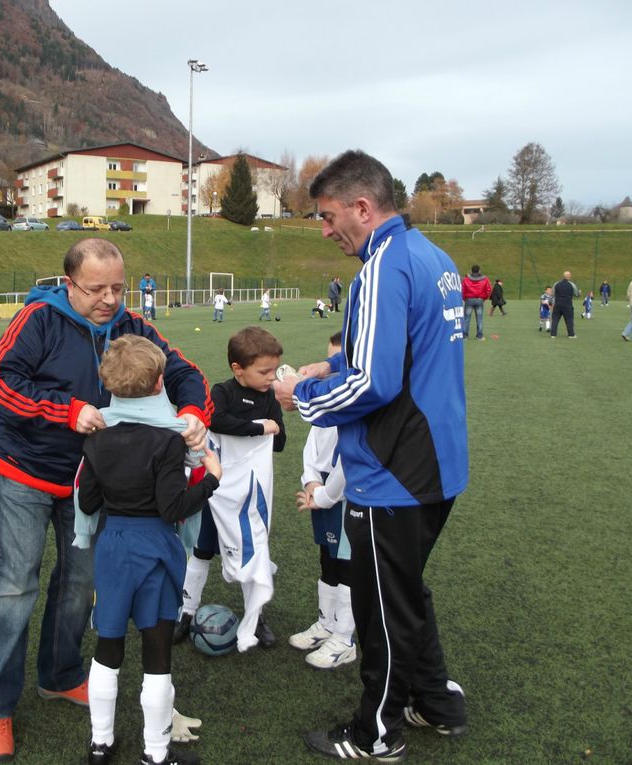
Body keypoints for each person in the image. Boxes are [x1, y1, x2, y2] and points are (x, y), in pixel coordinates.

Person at [0, 237, 212, 762]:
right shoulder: (38, 318)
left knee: (80, 585)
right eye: (96, 289)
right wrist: (66, 410)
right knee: (14, 587)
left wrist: (195, 413)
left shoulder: (134, 325)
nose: (109, 299)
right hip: (26, 470)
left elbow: (184, 372)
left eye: (118, 287)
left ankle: (59, 675)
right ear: (68, 284)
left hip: (95, 481)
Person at [274, 151, 469, 762]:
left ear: (363, 207)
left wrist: (298, 392)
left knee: (379, 607)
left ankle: (376, 734)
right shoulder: (431, 256)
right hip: (438, 459)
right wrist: (329, 364)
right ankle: (435, 701)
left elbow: (376, 384)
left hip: (395, 469)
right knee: (403, 590)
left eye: (329, 217)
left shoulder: (381, 267)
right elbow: (399, 350)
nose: (326, 230)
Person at [77, 335, 221, 765]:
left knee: (108, 646)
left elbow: (86, 503)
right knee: (157, 653)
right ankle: (155, 754)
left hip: (113, 547)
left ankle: (100, 745)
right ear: (161, 383)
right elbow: (173, 507)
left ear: (109, 387)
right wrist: (211, 478)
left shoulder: (97, 438)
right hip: (155, 546)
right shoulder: (168, 439)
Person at [174, 326, 286, 653]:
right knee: (202, 549)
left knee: (251, 550)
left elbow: (279, 441)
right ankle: (187, 611)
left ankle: (256, 615)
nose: (271, 377)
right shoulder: (222, 392)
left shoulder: (268, 398)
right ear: (238, 369)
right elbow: (216, 420)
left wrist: (267, 428)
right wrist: (256, 427)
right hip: (216, 490)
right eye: (264, 371)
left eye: (274, 370)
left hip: (248, 494)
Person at [290, 331, 356, 671]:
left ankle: (345, 638)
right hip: (323, 492)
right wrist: (311, 480)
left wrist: (328, 496)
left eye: (338, 368)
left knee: (347, 564)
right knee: (327, 558)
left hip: (343, 495)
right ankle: (327, 623)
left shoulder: (355, 408)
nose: (331, 376)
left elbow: (351, 459)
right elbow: (312, 447)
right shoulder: (326, 407)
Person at [461, 264, 492, 339]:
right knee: (479, 318)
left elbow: (462, 290)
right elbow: (489, 290)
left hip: (469, 300)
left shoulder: (466, 279)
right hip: (479, 300)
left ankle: (465, 335)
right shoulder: (485, 279)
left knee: (466, 318)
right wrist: (483, 298)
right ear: (479, 271)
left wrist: (465, 298)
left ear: (471, 271)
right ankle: (479, 336)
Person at [550, 270, 580, 339]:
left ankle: (553, 334)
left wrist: (552, 301)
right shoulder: (572, 284)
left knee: (555, 319)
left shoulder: (556, 284)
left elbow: (552, 294)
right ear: (569, 277)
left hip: (558, 304)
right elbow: (576, 294)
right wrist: (579, 293)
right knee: (569, 319)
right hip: (567, 304)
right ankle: (571, 334)